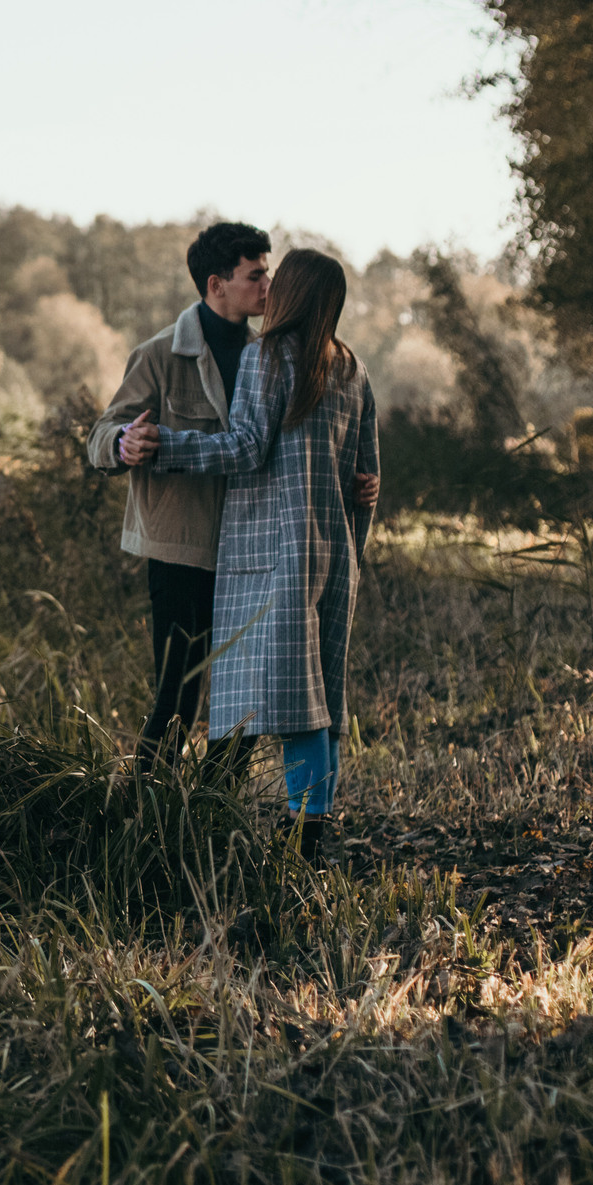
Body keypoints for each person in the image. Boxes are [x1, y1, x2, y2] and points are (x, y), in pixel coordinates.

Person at [117, 248, 380, 860]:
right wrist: (353, 550)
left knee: (287, 699)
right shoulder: (354, 369)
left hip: (273, 556)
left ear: (289, 293)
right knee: (319, 697)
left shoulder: (268, 357)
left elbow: (241, 450)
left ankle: (291, 841)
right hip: (333, 556)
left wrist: (166, 448)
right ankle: (306, 828)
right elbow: (368, 479)